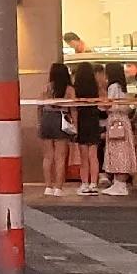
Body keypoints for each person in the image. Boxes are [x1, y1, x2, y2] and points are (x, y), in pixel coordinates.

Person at [39, 61, 75, 197]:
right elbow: (74, 109)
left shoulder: (46, 88)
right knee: (60, 157)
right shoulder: (69, 90)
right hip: (61, 119)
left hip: (46, 119)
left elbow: (39, 106)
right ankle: (58, 188)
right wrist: (75, 124)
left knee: (48, 156)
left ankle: (48, 186)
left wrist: (39, 122)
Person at [72, 60, 105, 195]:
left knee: (83, 156)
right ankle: (94, 184)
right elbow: (104, 104)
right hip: (93, 120)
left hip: (81, 121)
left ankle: (84, 184)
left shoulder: (75, 88)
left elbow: (73, 106)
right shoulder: (96, 87)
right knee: (93, 156)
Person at [103, 79, 136, 197]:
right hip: (123, 122)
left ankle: (119, 184)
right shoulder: (123, 88)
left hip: (115, 123)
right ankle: (119, 183)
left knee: (117, 152)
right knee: (124, 151)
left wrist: (102, 104)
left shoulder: (113, 87)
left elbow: (109, 104)